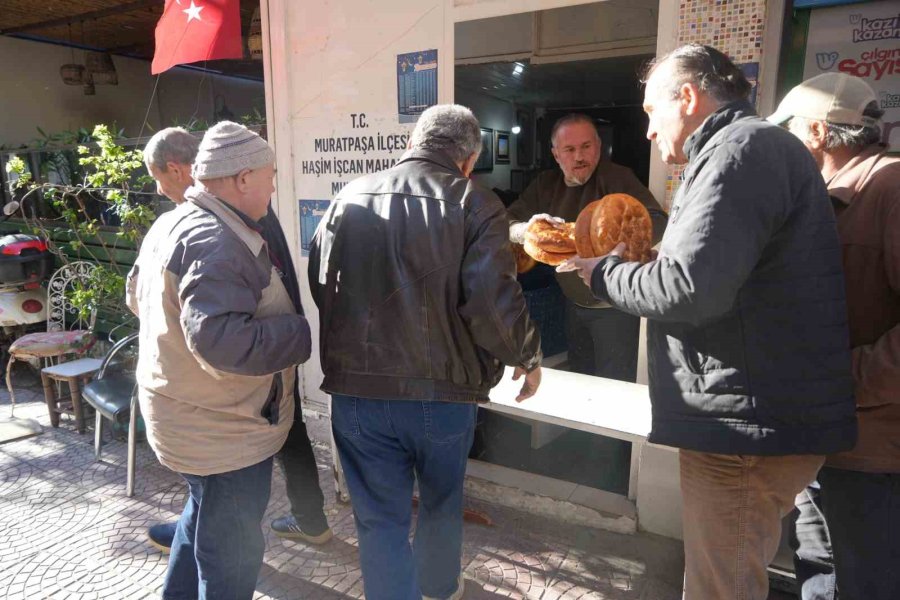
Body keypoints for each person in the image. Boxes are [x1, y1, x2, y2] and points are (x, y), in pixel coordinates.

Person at [561, 45, 857, 600]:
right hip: (753, 411)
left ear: (689, 97)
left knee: (719, 589)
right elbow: (718, 275)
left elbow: (686, 289)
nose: (648, 130)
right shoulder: (752, 150)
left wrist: (604, 275)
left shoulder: (738, 152)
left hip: (742, 428)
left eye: (651, 112)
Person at [308, 104, 542, 600]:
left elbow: (321, 281)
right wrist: (526, 356)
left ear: (414, 142)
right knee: (440, 504)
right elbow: (492, 303)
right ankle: (439, 588)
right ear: (469, 158)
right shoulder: (476, 204)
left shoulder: (350, 195)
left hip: (358, 393)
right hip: (443, 396)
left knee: (378, 521)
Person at [127, 121, 314, 599]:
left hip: (188, 415)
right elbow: (222, 343)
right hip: (221, 430)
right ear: (243, 178)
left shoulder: (174, 221)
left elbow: (136, 296)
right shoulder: (217, 241)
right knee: (230, 555)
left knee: (202, 515)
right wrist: (299, 331)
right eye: (271, 175)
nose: (275, 185)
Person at [771, 72, 900, 600]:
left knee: (864, 583)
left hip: (873, 456)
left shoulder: (890, 188)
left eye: (787, 135)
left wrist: (840, 380)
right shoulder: (829, 197)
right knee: (819, 576)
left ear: (818, 133)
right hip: (825, 444)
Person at [507, 113, 667, 381]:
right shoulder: (544, 185)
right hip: (572, 303)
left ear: (599, 147)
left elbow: (658, 219)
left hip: (614, 309)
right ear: (556, 154)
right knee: (581, 378)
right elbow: (507, 222)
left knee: (614, 385)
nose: (579, 157)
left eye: (586, 147)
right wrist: (526, 230)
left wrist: (605, 245)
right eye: (569, 149)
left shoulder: (617, 178)